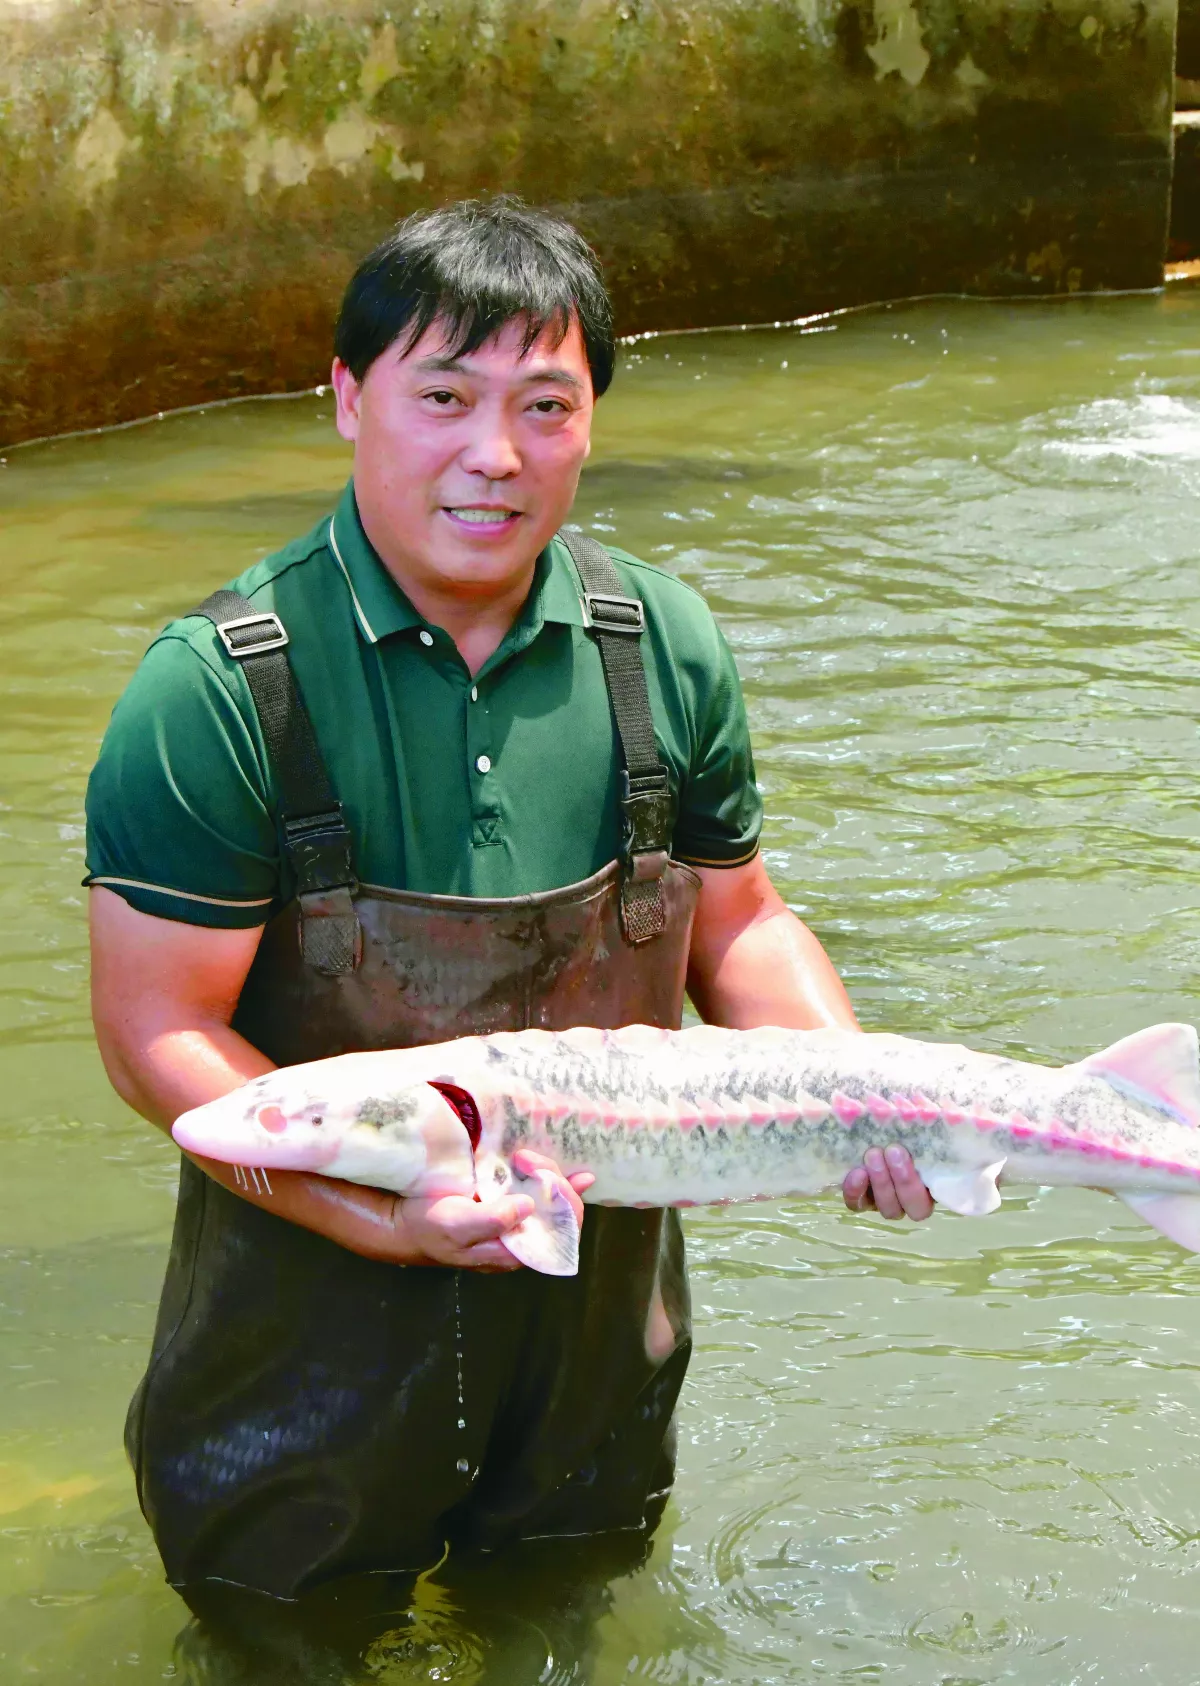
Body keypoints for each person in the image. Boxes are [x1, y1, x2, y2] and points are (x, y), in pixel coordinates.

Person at [85, 196, 933, 1606]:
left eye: (546, 403)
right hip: (307, 1349)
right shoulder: (219, 688)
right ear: (347, 399)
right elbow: (151, 1039)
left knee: (571, 1611)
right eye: (444, 397)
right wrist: (387, 1214)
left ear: (594, 414)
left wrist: (857, 1094)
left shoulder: (661, 644)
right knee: (284, 1632)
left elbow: (744, 924)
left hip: (597, 1343)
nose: (495, 454)